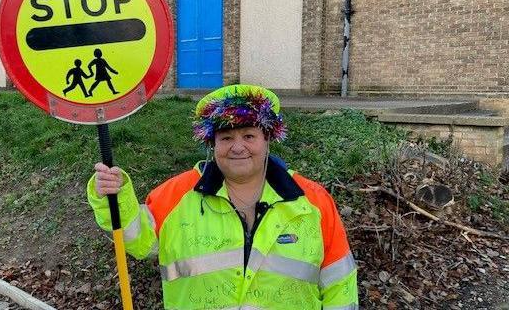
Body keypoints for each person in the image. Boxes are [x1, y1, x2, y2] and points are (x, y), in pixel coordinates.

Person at [87, 84, 358, 309]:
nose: (238, 147)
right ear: (212, 144)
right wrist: (114, 195)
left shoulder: (312, 201)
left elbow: (340, 285)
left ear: (267, 140)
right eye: (226, 137)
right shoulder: (177, 194)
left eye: (249, 136)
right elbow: (138, 240)